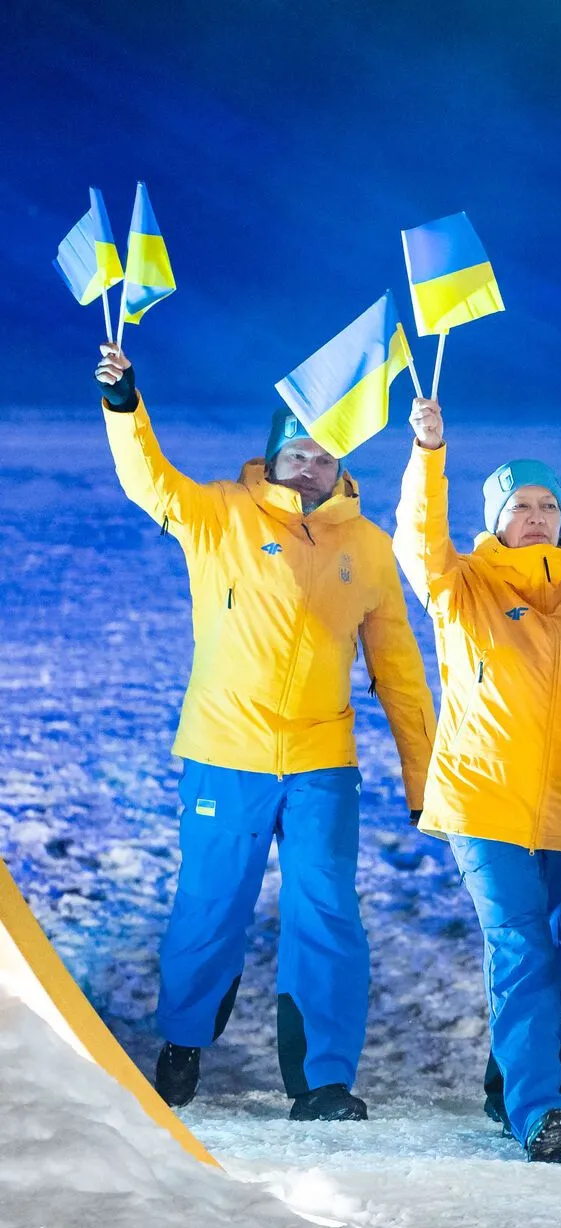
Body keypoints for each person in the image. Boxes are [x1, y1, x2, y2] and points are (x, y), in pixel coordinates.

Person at [92, 343, 435, 1121]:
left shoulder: (371, 549)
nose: (308, 467)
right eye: (296, 453)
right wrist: (124, 407)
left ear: (340, 463)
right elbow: (149, 480)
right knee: (211, 904)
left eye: (323, 456)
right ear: (273, 456)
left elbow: (401, 676)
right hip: (225, 753)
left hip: (321, 762)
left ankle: (322, 1080)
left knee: (326, 911)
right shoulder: (219, 513)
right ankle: (182, 1044)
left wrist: (425, 782)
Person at [392, 397, 561, 1163]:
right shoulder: (461, 584)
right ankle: (541, 1108)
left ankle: (511, 1075)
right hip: (484, 795)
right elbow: (417, 541)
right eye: (520, 506)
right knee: (522, 946)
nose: (535, 516)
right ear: (496, 518)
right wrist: (429, 451)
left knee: (558, 953)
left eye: (547, 504)